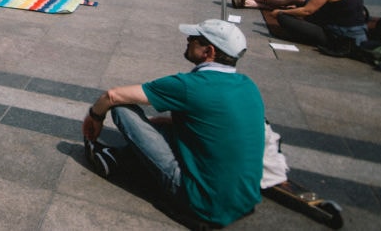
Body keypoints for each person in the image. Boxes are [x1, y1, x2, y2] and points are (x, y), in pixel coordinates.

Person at [82, 19, 264, 228]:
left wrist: (95, 117)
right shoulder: (248, 85)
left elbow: (113, 96)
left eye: (194, 39)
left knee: (122, 109)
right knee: (162, 126)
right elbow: (219, 125)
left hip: (200, 201)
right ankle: (116, 159)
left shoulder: (190, 86)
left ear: (209, 51)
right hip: (244, 199)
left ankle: (118, 161)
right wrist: (171, 122)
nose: (188, 40)